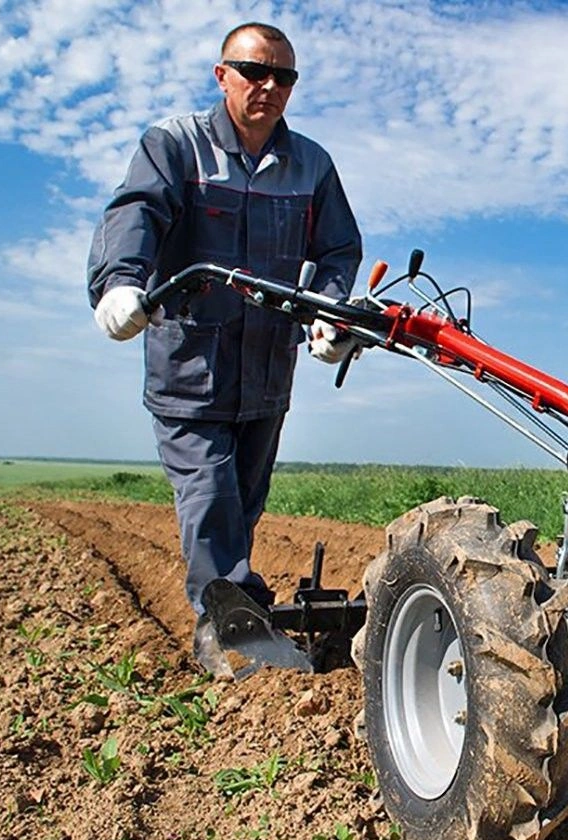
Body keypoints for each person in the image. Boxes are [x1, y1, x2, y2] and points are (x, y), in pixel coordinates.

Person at [87, 21, 362, 669]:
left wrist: (327, 314)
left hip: (268, 368)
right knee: (210, 497)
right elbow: (136, 214)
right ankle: (230, 621)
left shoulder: (312, 165)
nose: (268, 86)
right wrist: (119, 284)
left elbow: (339, 250)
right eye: (254, 72)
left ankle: (229, 610)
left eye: (283, 77)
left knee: (243, 500)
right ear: (223, 75)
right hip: (190, 364)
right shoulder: (176, 146)